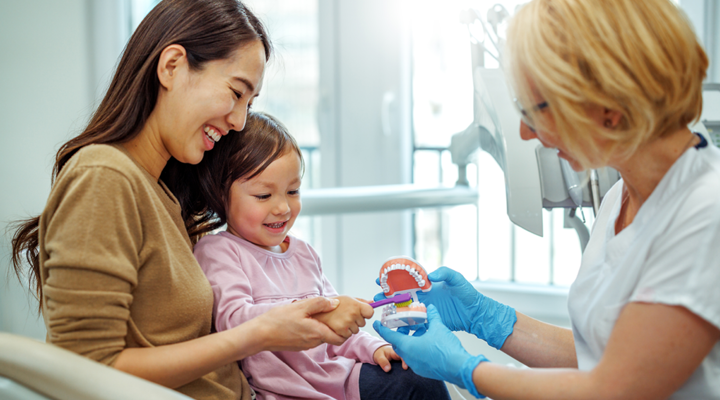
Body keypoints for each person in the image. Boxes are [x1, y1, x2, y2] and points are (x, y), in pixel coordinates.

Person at [10, 1, 358, 399]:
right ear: (172, 66)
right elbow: (85, 372)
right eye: (235, 92)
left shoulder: (161, 191)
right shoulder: (104, 176)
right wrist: (258, 333)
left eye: (250, 103)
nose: (240, 122)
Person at [373, 0, 720, 398]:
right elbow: (606, 356)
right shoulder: (620, 196)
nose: (524, 132)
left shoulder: (707, 211)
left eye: (535, 110)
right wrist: (488, 319)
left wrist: (465, 369)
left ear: (609, 104)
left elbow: (612, 389)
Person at [191, 111, 452, 400]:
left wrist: (373, 347)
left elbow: (340, 330)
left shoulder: (304, 253)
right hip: (286, 393)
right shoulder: (220, 251)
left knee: (421, 376)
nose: (283, 208)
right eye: (264, 196)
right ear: (220, 194)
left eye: (292, 191)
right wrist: (313, 313)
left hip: (341, 378)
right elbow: (233, 322)